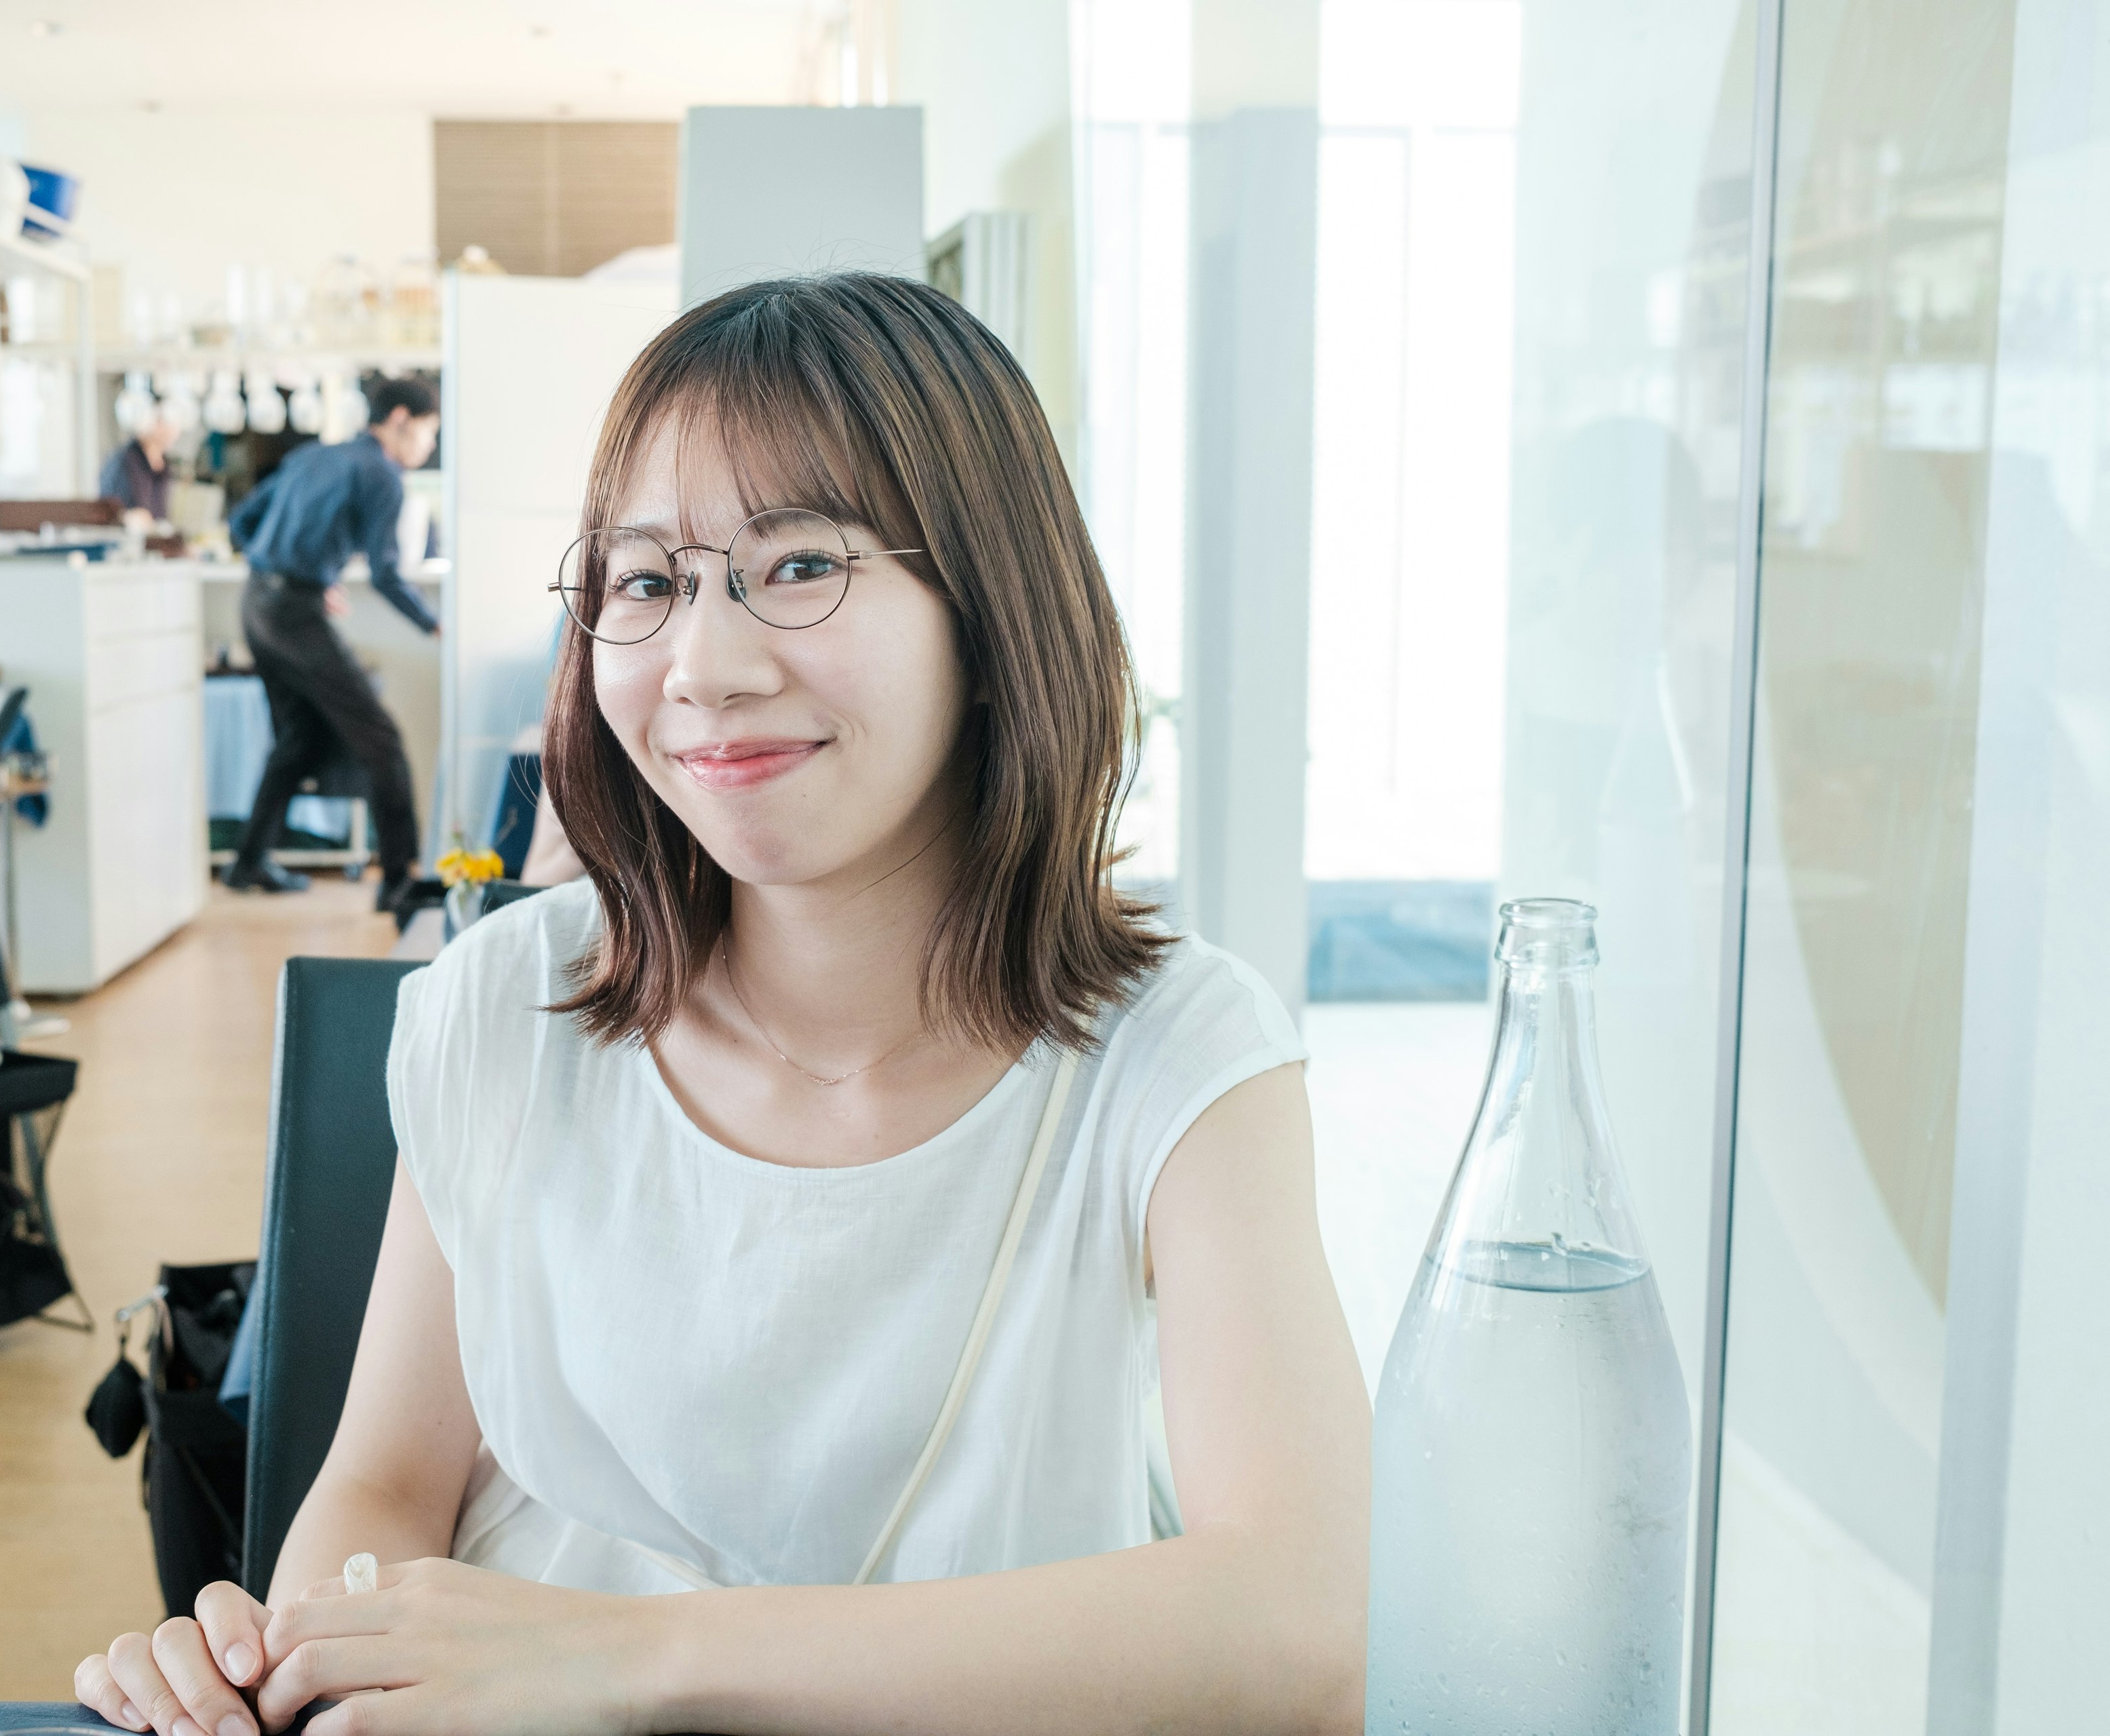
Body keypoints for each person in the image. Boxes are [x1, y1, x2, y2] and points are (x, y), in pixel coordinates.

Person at [76, 276, 1369, 1736]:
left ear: (993, 599)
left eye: (799, 562)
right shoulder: (508, 1000)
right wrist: (287, 1676)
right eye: (647, 581)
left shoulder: (1174, 1054)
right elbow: (388, 1477)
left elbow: (1300, 1628)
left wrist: (639, 1655)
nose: (705, 664)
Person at [222, 376, 440, 911]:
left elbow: (241, 523)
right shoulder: (383, 476)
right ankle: (397, 882)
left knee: (298, 740)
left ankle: (248, 862)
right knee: (382, 740)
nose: (429, 446)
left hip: (256, 606)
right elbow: (388, 574)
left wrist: (301, 575)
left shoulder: (313, 456)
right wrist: (434, 625)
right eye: (429, 432)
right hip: (292, 615)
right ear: (400, 421)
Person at [98, 402, 178, 527]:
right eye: (162, 422)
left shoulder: (165, 466)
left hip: (156, 540)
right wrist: (126, 517)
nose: (170, 429)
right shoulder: (123, 460)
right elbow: (105, 510)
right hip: (125, 540)